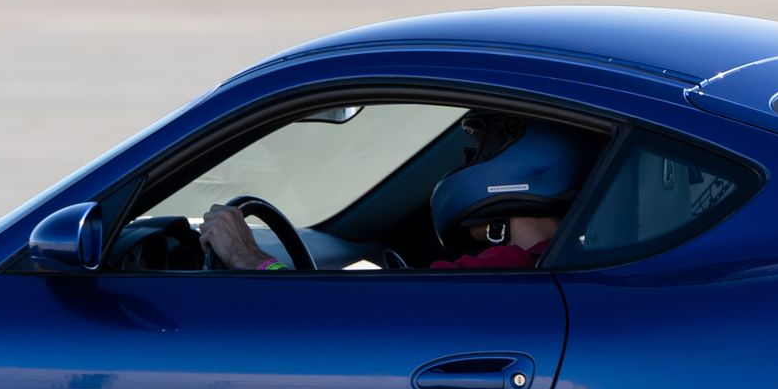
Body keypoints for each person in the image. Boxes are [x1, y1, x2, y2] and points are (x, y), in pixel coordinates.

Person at [200, 121, 593, 272]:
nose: (467, 167)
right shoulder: (563, 261)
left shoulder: (501, 273)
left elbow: (341, 320)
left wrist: (250, 259)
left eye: (478, 154)